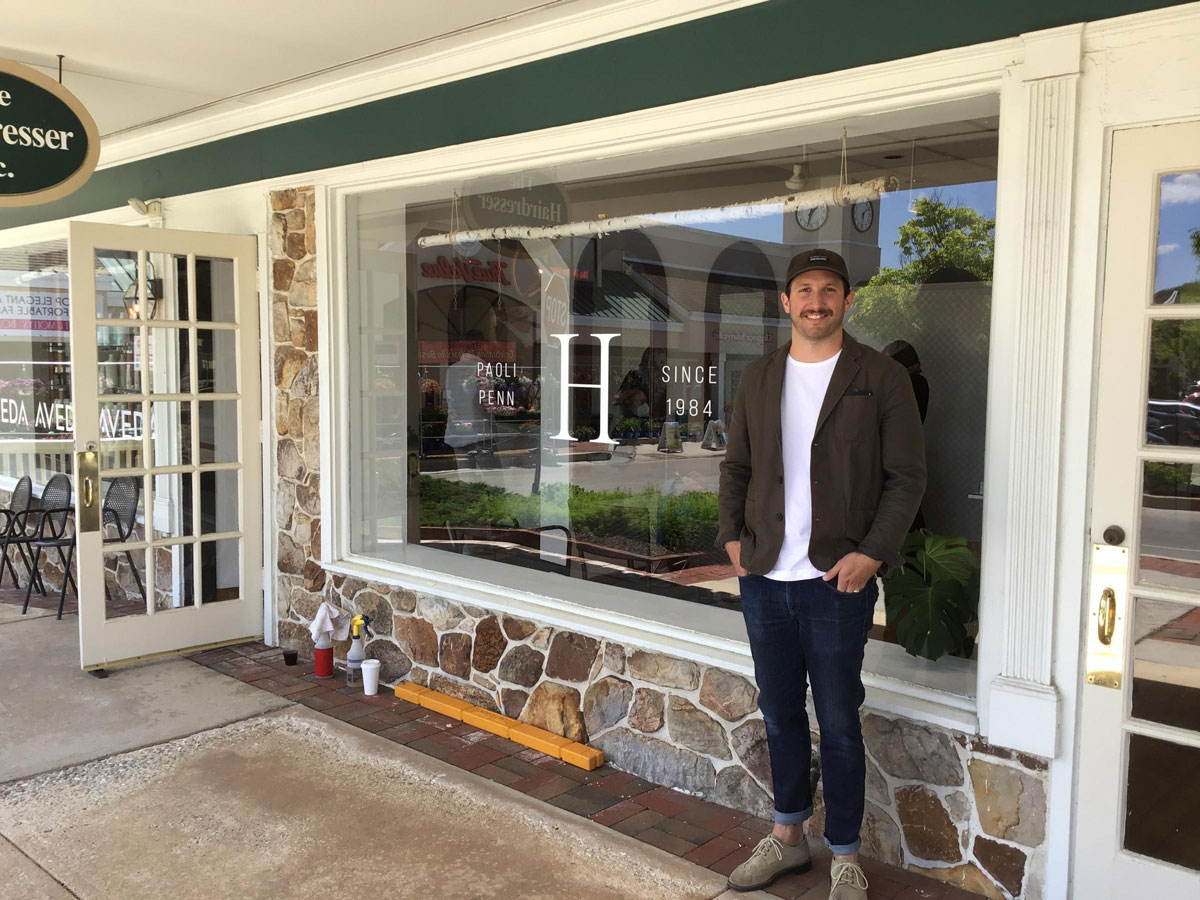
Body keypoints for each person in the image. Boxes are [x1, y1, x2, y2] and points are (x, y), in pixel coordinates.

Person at [717, 248, 926, 897]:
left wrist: (874, 552)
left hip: (839, 580)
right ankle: (788, 838)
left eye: (828, 290)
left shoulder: (881, 376)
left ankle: (844, 854)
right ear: (786, 302)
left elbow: (907, 476)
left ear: (847, 300)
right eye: (804, 290)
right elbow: (736, 467)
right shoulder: (759, 377)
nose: (816, 301)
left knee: (837, 719)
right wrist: (731, 538)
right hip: (764, 576)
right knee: (779, 711)